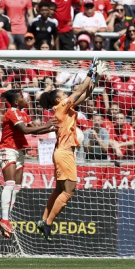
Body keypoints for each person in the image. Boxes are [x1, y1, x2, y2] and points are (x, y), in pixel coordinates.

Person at [36, 59, 108, 241]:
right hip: (65, 153)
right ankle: (48, 223)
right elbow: (78, 91)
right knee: (68, 192)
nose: (66, 94)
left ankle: (44, 219)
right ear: (59, 99)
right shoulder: (61, 107)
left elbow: (86, 94)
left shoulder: (65, 109)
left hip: (62, 152)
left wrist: (96, 77)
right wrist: (90, 72)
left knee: (59, 190)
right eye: (62, 93)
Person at [0, 89, 59, 238]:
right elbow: (24, 130)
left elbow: (33, 131)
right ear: (16, 102)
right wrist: (48, 124)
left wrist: (51, 128)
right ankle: (4, 218)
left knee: (17, 187)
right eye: (23, 98)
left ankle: (5, 219)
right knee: (10, 184)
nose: (26, 100)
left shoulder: (23, 114)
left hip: (18, 151)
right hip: (7, 149)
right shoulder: (11, 112)